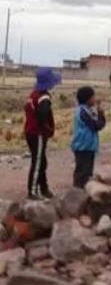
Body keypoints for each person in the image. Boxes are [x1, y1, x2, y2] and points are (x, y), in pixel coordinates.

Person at [24, 67, 61, 198]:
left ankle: (44, 188)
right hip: (37, 133)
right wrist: (48, 129)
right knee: (38, 162)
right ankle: (33, 191)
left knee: (41, 161)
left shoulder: (33, 94)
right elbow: (42, 115)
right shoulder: (44, 97)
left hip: (30, 132)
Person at [70, 86, 106, 188]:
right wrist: (100, 112)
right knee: (83, 172)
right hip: (83, 146)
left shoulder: (86, 110)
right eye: (93, 97)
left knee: (86, 171)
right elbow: (97, 125)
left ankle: (82, 191)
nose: (94, 99)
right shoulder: (83, 111)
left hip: (87, 146)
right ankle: (78, 192)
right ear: (88, 98)